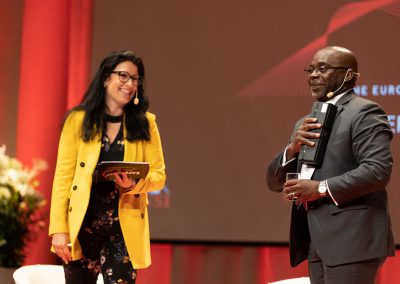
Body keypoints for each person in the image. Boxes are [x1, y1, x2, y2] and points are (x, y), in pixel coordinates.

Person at [266, 46, 394, 284]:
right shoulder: (305, 122)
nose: (313, 75)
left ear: (348, 75)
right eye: (310, 69)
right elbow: (273, 181)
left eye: (322, 69)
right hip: (317, 239)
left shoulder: (364, 111)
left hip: (352, 240)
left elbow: (378, 170)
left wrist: (320, 188)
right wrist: (291, 149)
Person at [49, 50, 166, 284]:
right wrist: (59, 230)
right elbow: (63, 178)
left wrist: (133, 184)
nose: (129, 84)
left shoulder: (145, 123)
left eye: (135, 79)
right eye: (123, 76)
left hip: (123, 229)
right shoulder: (78, 121)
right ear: (105, 78)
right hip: (82, 226)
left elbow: (159, 176)